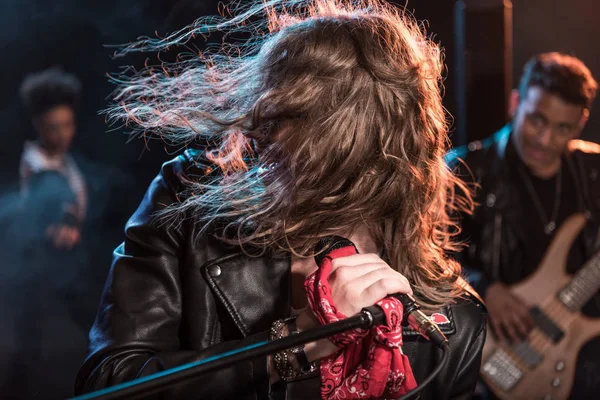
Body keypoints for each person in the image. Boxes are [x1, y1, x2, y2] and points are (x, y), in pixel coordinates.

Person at [75, 1, 487, 399]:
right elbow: (109, 381)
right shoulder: (189, 199)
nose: (258, 139)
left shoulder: (455, 325)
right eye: (265, 116)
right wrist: (297, 343)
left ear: (356, 150)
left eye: (286, 120)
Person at [449, 52, 600, 398]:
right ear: (516, 103)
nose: (545, 140)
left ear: (580, 124)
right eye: (536, 120)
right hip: (486, 352)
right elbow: (419, 260)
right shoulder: (463, 172)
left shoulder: (593, 173)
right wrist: (482, 288)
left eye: (562, 128)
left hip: (580, 354)